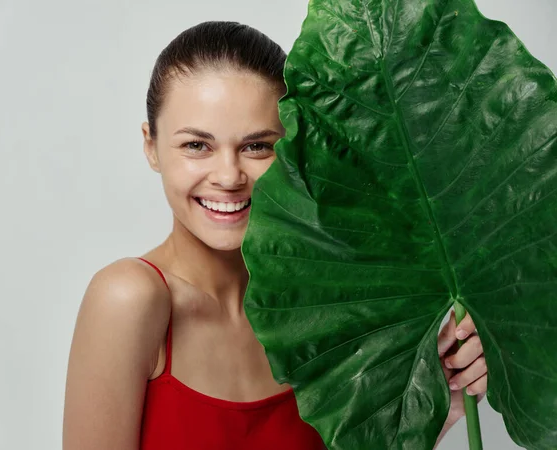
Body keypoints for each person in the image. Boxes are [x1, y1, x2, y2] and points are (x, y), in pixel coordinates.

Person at [62, 21, 488, 450]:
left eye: (257, 146)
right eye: (197, 145)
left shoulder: (333, 305)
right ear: (151, 146)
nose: (228, 176)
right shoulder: (130, 298)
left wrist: (438, 410)